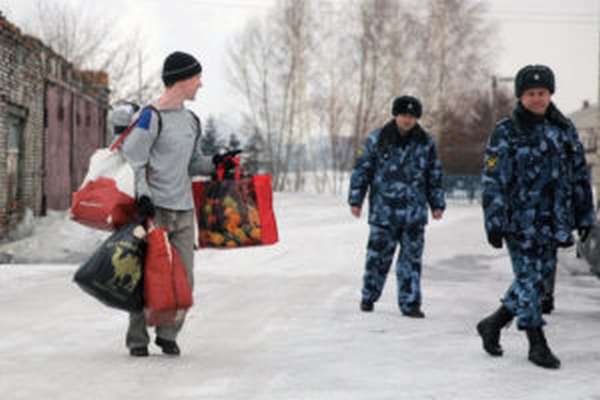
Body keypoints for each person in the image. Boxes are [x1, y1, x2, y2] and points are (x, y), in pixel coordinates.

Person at [477, 64, 594, 369]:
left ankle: (493, 323)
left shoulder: (564, 128)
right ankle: (536, 342)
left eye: (542, 93)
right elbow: (493, 181)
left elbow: (580, 175)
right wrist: (493, 221)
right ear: (520, 96)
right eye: (530, 94)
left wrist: (585, 216)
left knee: (538, 281)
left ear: (550, 94)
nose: (537, 99)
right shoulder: (507, 131)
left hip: (554, 220)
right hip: (520, 221)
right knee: (529, 279)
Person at [121, 51, 214, 357]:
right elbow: (134, 160)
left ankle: (168, 334)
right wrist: (144, 196)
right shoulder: (150, 116)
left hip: (184, 210)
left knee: (184, 278)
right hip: (154, 209)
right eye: (197, 78)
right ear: (182, 80)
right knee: (150, 275)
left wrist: (217, 163)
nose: (200, 84)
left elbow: (194, 163)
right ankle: (137, 339)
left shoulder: (191, 120)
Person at [348, 95, 445, 318]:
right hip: (384, 212)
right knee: (377, 258)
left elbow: (434, 175)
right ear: (396, 115)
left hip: (414, 214)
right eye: (404, 115)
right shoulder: (377, 139)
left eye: (412, 116)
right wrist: (356, 199)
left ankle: (410, 304)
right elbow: (362, 170)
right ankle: (368, 296)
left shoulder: (425, 143)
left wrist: (437, 203)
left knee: (411, 261)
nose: (407, 120)